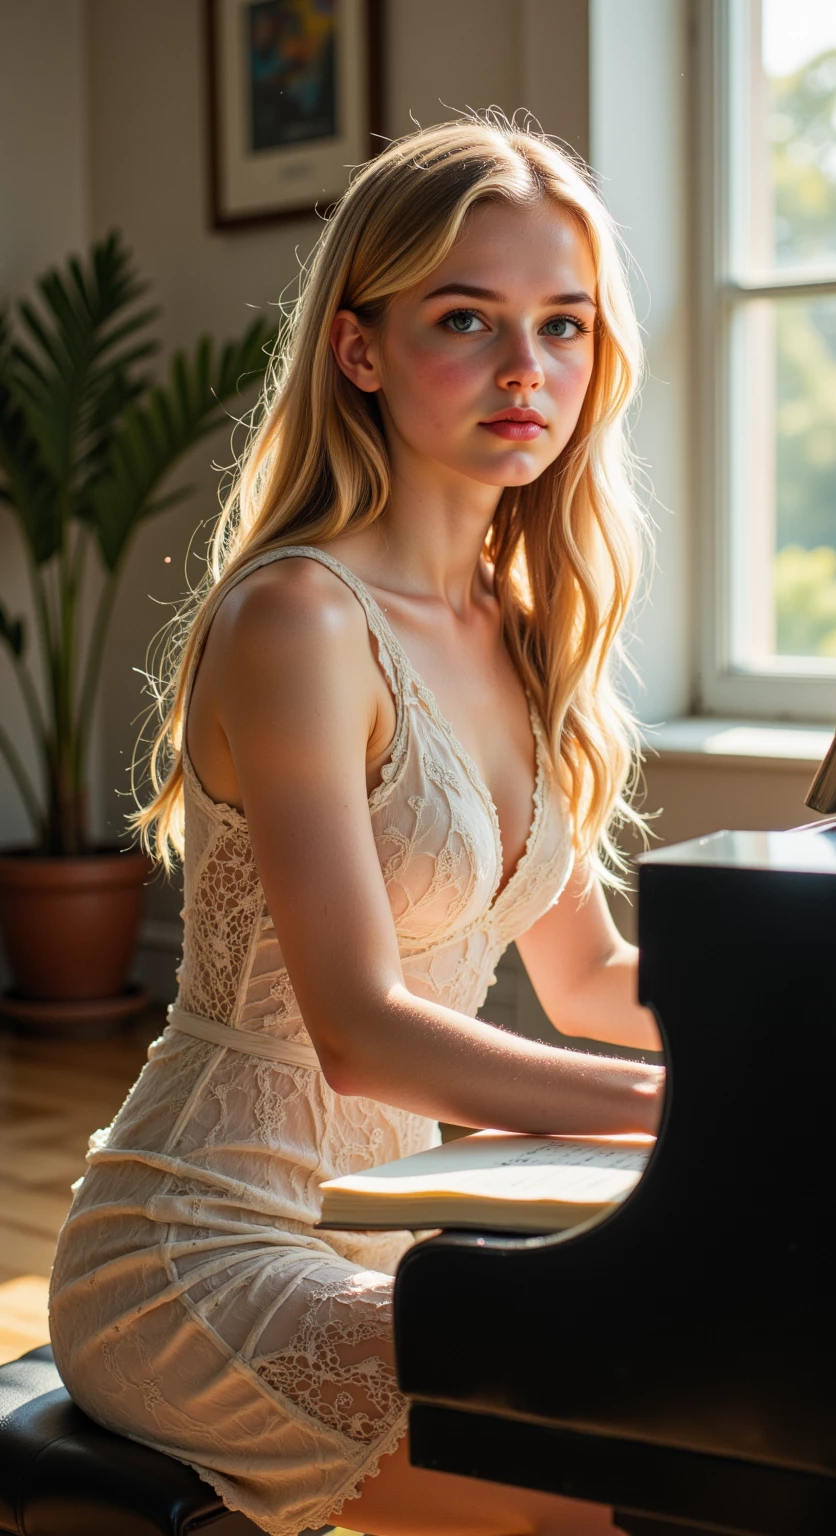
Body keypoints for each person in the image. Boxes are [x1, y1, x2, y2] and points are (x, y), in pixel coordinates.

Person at [48, 114, 665, 1536]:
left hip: (389, 1231)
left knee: (740, 1411)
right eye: (468, 318)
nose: (527, 368)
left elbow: (592, 978)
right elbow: (362, 1031)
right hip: (198, 1253)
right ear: (359, 348)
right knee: (617, 1493)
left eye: (564, 324)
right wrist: (677, 1116)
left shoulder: (523, 628)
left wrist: (822, 1034)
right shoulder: (299, 618)